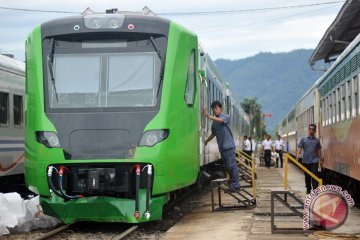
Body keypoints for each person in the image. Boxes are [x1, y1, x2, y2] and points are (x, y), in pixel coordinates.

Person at [204, 101, 241, 191]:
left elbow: (220, 121)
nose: (215, 110)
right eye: (213, 109)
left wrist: (208, 116)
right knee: (227, 167)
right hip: (222, 148)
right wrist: (206, 141)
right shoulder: (214, 123)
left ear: (221, 108)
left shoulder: (225, 117)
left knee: (232, 166)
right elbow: (213, 134)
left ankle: (236, 186)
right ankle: (232, 184)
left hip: (228, 146)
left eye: (216, 108)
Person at [296, 124, 323, 194]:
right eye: (310, 129)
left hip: (315, 161)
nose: (311, 130)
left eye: (313, 129)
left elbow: (319, 149)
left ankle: (315, 190)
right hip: (306, 161)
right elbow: (300, 147)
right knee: (307, 177)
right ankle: (308, 188)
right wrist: (298, 154)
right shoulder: (304, 139)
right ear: (308, 130)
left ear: (315, 131)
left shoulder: (317, 140)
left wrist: (321, 159)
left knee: (314, 176)